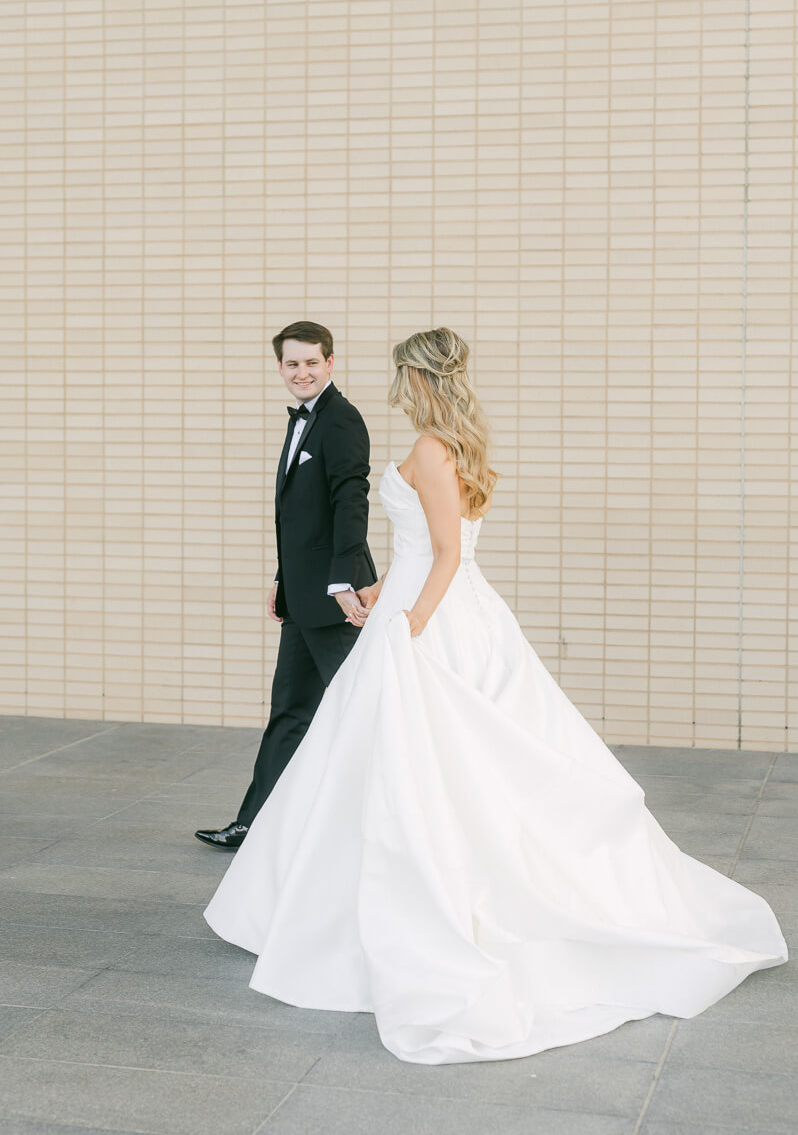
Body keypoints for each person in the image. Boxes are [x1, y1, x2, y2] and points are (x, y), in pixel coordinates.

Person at [203, 326, 788, 1064]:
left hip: (436, 616)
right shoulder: (451, 445)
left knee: (424, 765)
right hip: (425, 600)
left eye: (401, 378)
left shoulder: (430, 451)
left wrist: (411, 621)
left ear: (417, 380)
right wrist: (381, 593)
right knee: (380, 757)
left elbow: (447, 553)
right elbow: (430, 549)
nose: (397, 388)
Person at [195, 321, 377, 851]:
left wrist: (343, 581)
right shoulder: (302, 421)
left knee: (364, 712)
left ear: (331, 363)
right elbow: (300, 521)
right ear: (280, 367)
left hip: (338, 600)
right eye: (292, 364)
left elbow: (350, 504)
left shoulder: (341, 421)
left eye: (312, 363)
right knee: (290, 713)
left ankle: (386, 828)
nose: (302, 372)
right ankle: (254, 824)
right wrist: (282, 579)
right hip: (302, 596)